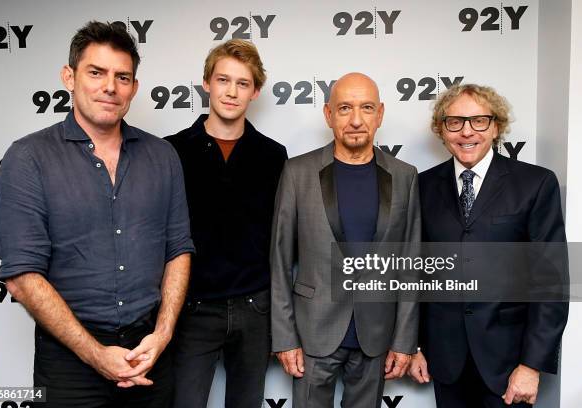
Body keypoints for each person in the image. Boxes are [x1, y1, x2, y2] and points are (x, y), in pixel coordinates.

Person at [0, 21, 194, 407]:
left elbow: (178, 250)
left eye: (123, 77)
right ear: (69, 77)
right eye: (96, 72)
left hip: (150, 355)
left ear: (134, 88)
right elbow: (21, 276)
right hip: (70, 364)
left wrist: (164, 333)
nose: (110, 87)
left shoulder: (162, 157)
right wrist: (95, 355)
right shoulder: (28, 158)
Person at [409, 84, 568, 407]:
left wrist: (531, 365)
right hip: (445, 360)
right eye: (455, 122)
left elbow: (550, 283)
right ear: (442, 129)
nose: (467, 131)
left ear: (496, 126)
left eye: (479, 121)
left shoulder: (535, 184)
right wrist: (415, 346)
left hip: (509, 364)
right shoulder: (422, 186)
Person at [270, 72, 420, 407]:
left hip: (377, 333)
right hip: (313, 332)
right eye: (344, 109)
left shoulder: (405, 176)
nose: (355, 120)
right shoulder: (297, 173)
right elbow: (279, 261)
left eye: (366, 108)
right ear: (328, 114)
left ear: (380, 114)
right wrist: (284, 337)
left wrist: (405, 341)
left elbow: (410, 266)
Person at [164, 39, 287, 408]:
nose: (231, 92)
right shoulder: (172, 151)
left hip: (256, 309)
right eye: (223, 80)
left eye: (242, 83)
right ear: (206, 83)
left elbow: (281, 240)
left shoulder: (273, 155)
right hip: (192, 309)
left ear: (256, 91)